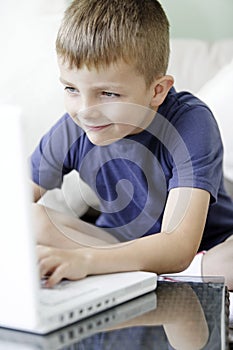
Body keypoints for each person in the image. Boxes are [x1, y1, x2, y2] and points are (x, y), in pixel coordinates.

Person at [31, 0, 233, 291]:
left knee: (227, 263)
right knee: (32, 221)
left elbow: (177, 245)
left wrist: (86, 260)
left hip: (203, 250)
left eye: (109, 93)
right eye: (72, 89)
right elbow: (13, 206)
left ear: (157, 90)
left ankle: (152, 273)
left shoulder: (191, 121)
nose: (86, 110)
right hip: (118, 245)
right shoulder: (73, 126)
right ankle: (143, 271)